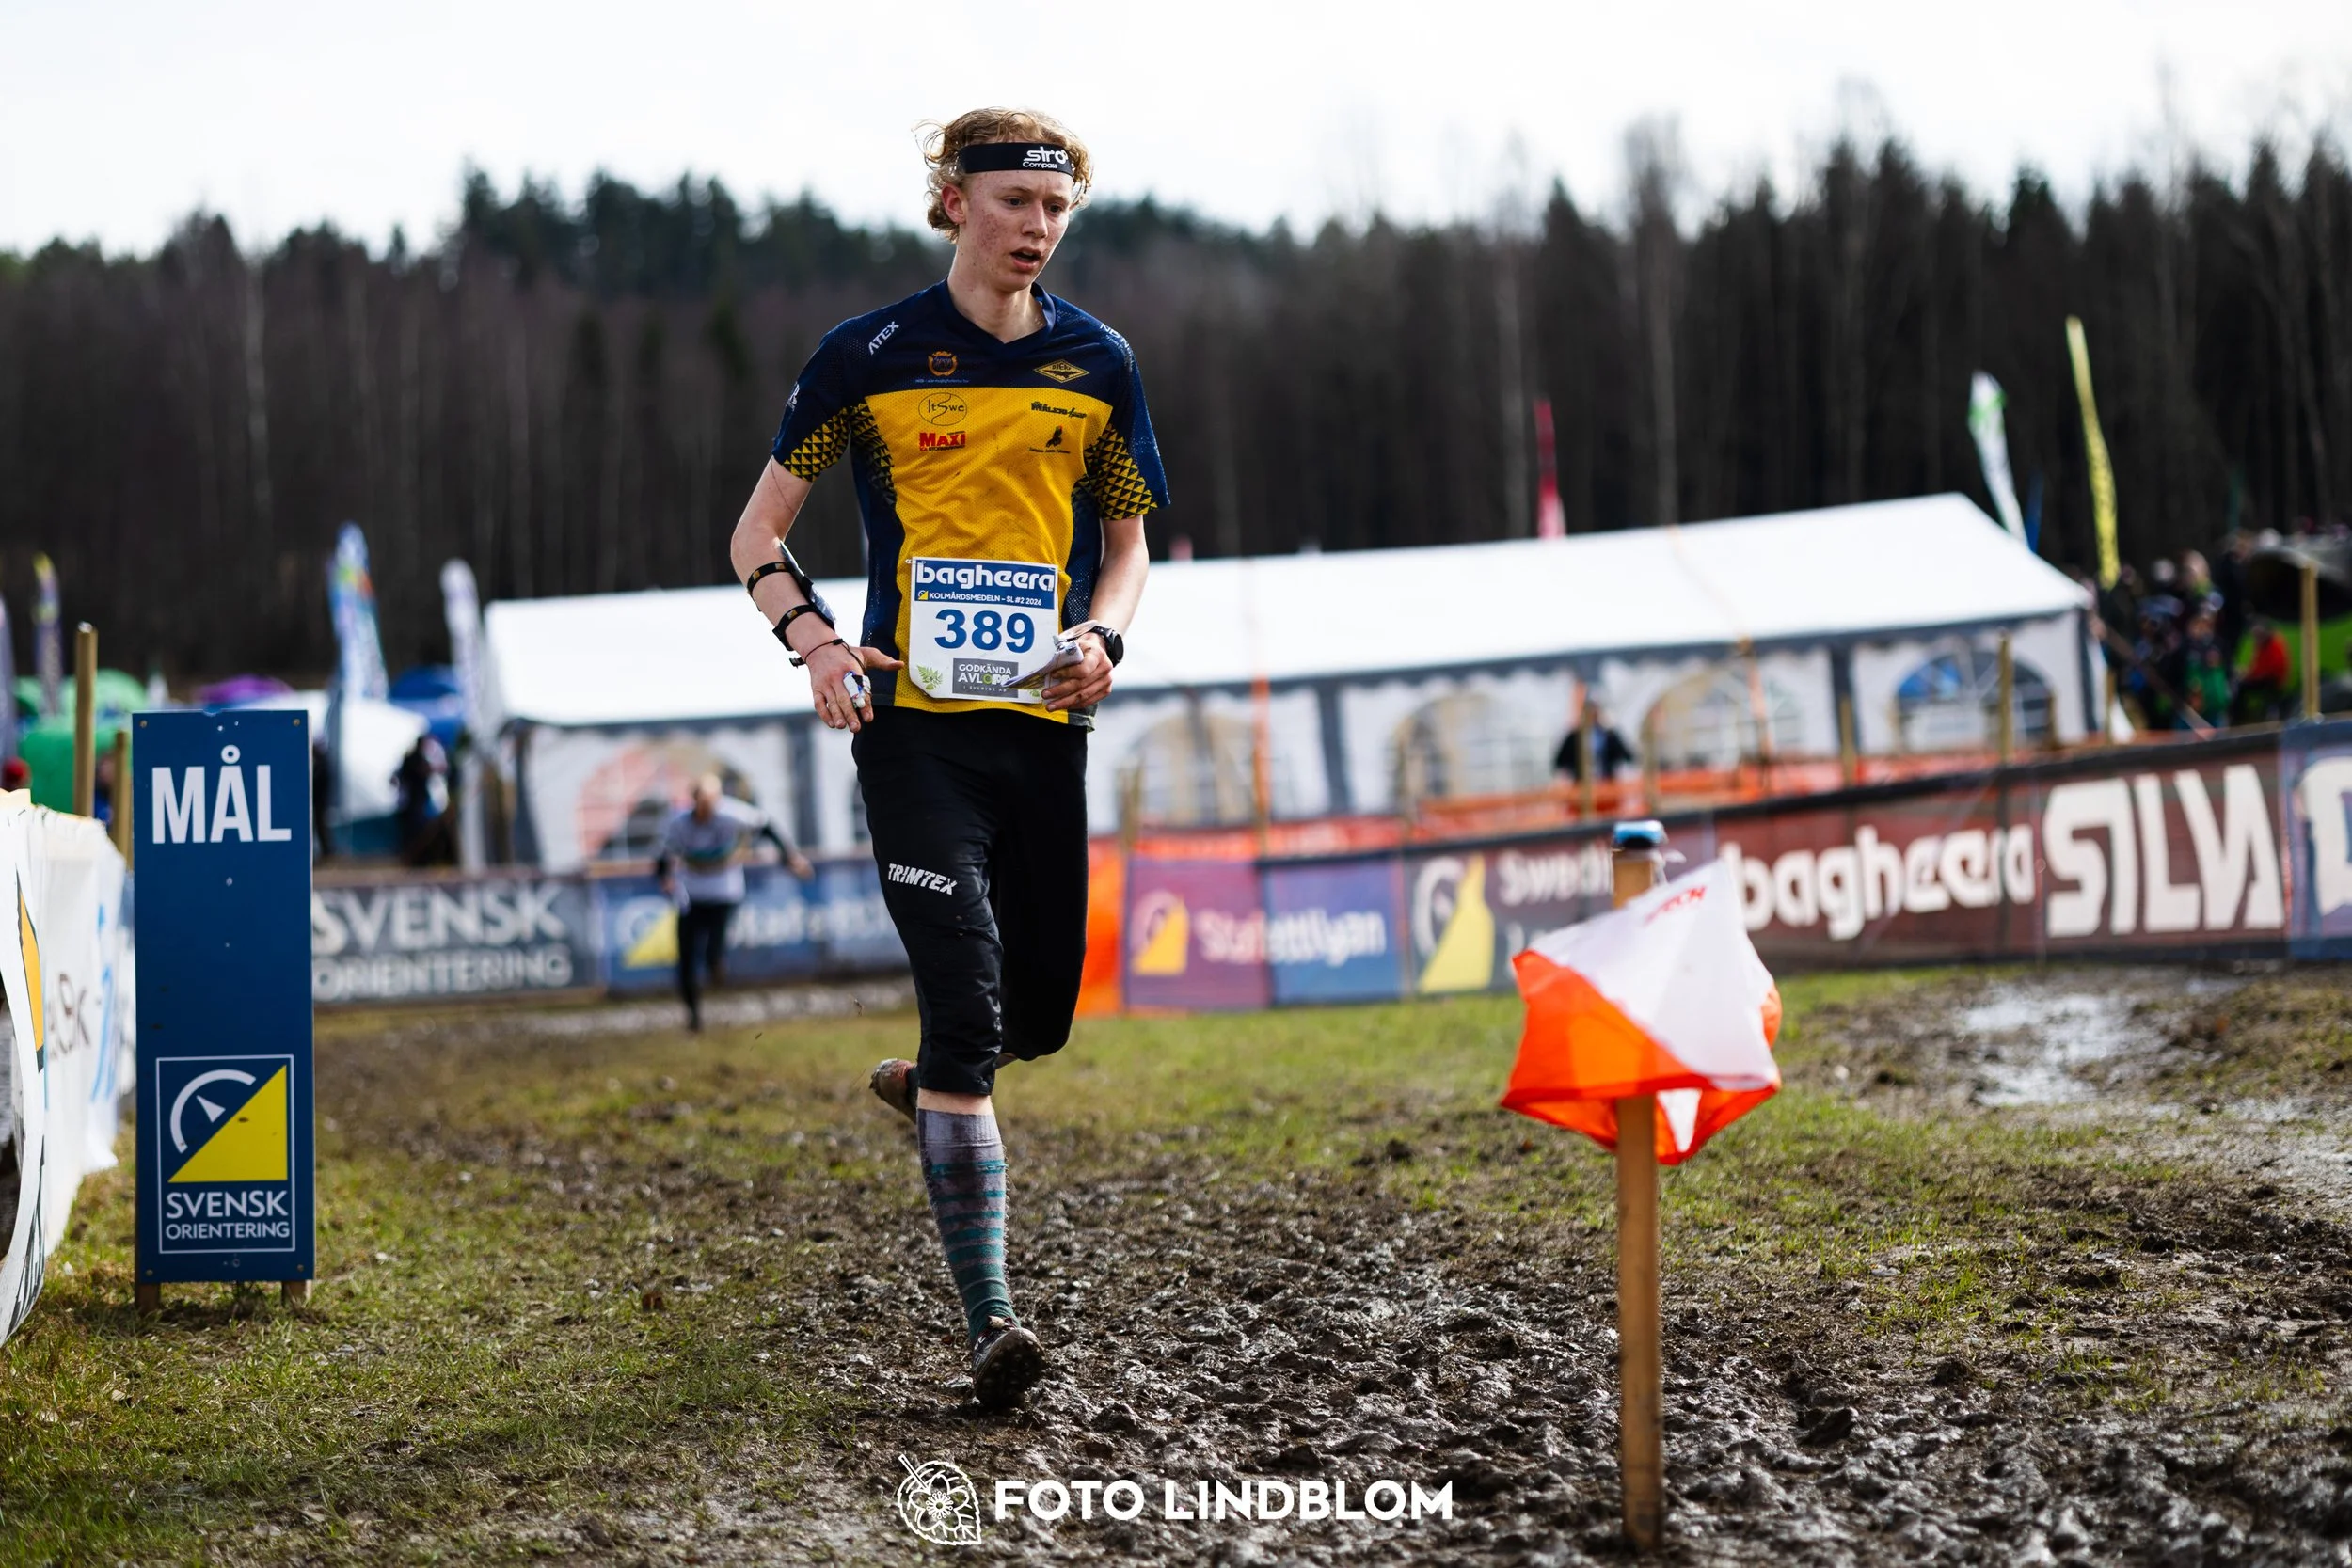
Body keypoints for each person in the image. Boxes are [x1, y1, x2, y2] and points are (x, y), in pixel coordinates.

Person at [724, 108, 1163, 1411]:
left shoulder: (1099, 362)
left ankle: (931, 1088)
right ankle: (993, 1322)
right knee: (971, 1014)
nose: (1037, 227)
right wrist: (810, 640)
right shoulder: (865, 357)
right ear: (954, 201)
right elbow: (757, 532)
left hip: (1044, 729)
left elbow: (1133, 543)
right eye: (1017, 201)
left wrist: (1106, 635)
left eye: (1057, 209)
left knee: (1040, 1015)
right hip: (914, 733)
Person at [654, 774, 813, 1032]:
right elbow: (664, 853)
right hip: (690, 894)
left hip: (724, 892)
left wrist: (790, 858)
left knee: (712, 952)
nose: (705, 811)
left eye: (710, 804)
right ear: (694, 802)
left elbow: (767, 827)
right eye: (700, 804)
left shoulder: (732, 814)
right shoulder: (679, 821)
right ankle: (693, 1015)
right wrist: (664, 878)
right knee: (685, 955)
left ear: (717, 801)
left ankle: (716, 965)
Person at [1552, 701, 1635, 781]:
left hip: (1606, 782)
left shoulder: (1609, 735)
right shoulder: (1573, 737)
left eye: (1594, 714)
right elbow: (1560, 761)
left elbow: (1627, 756)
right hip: (1581, 783)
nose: (1592, 717)